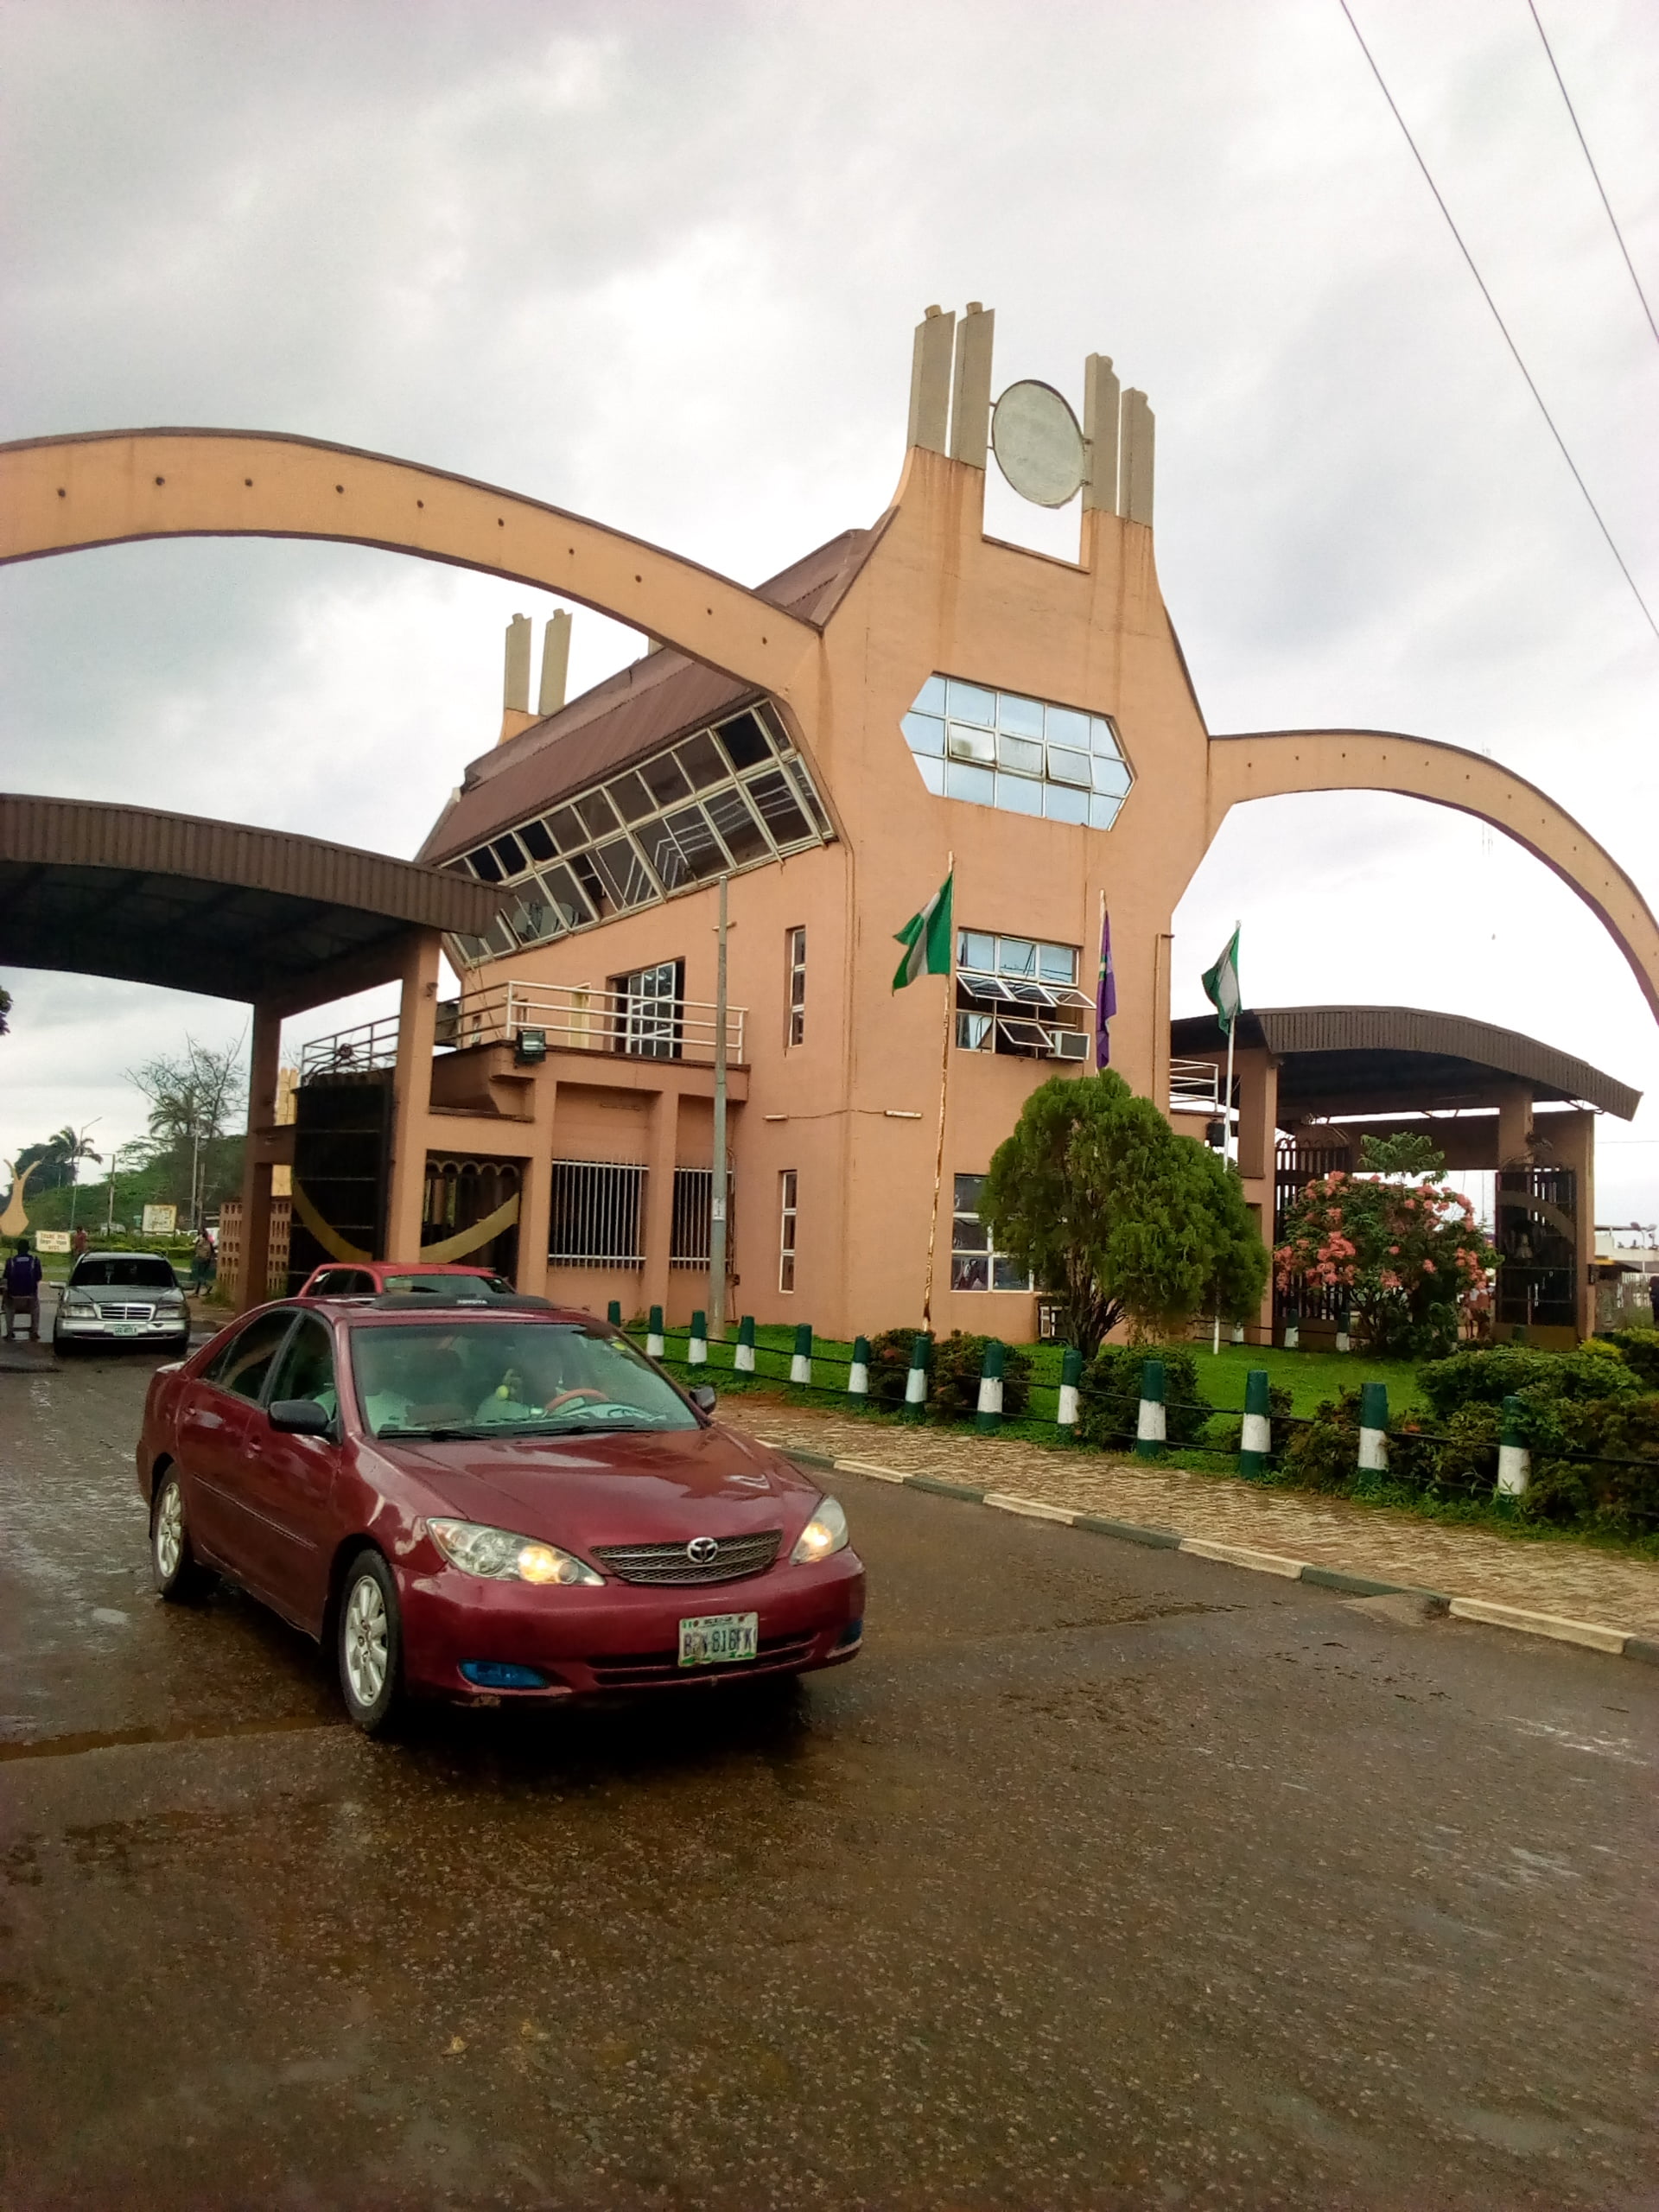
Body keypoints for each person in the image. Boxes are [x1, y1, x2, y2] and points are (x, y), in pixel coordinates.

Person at [3, 1238, 44, 1342]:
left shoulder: (10, 1261)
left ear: (17, 1249)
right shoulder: (35, 1260)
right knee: (36, 1308)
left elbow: (5, 1278)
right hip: (30, 1298)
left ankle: (9, 1332)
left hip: (13, 1298)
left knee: (7, 1307)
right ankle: (34, 1331)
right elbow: (39, 1277)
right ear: (28, 1249)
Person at [189, 1229, 216, 1298]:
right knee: (201, 1275)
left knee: (199, 1276)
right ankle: (197, 1292)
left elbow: (196, 1249)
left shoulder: (201, 1241)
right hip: (207, 1260)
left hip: (201, 1260)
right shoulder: (208, 1242)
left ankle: (208, 1286)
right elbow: (212, 1252)